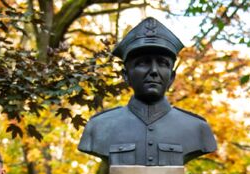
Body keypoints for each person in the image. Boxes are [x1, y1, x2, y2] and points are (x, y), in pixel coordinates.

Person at [77, 17, 217, 166]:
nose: (154, 71)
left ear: (172, 77)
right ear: (126, 76)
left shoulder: (197, 128)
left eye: (163, 63)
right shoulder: (99, 127)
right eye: (143, 62)